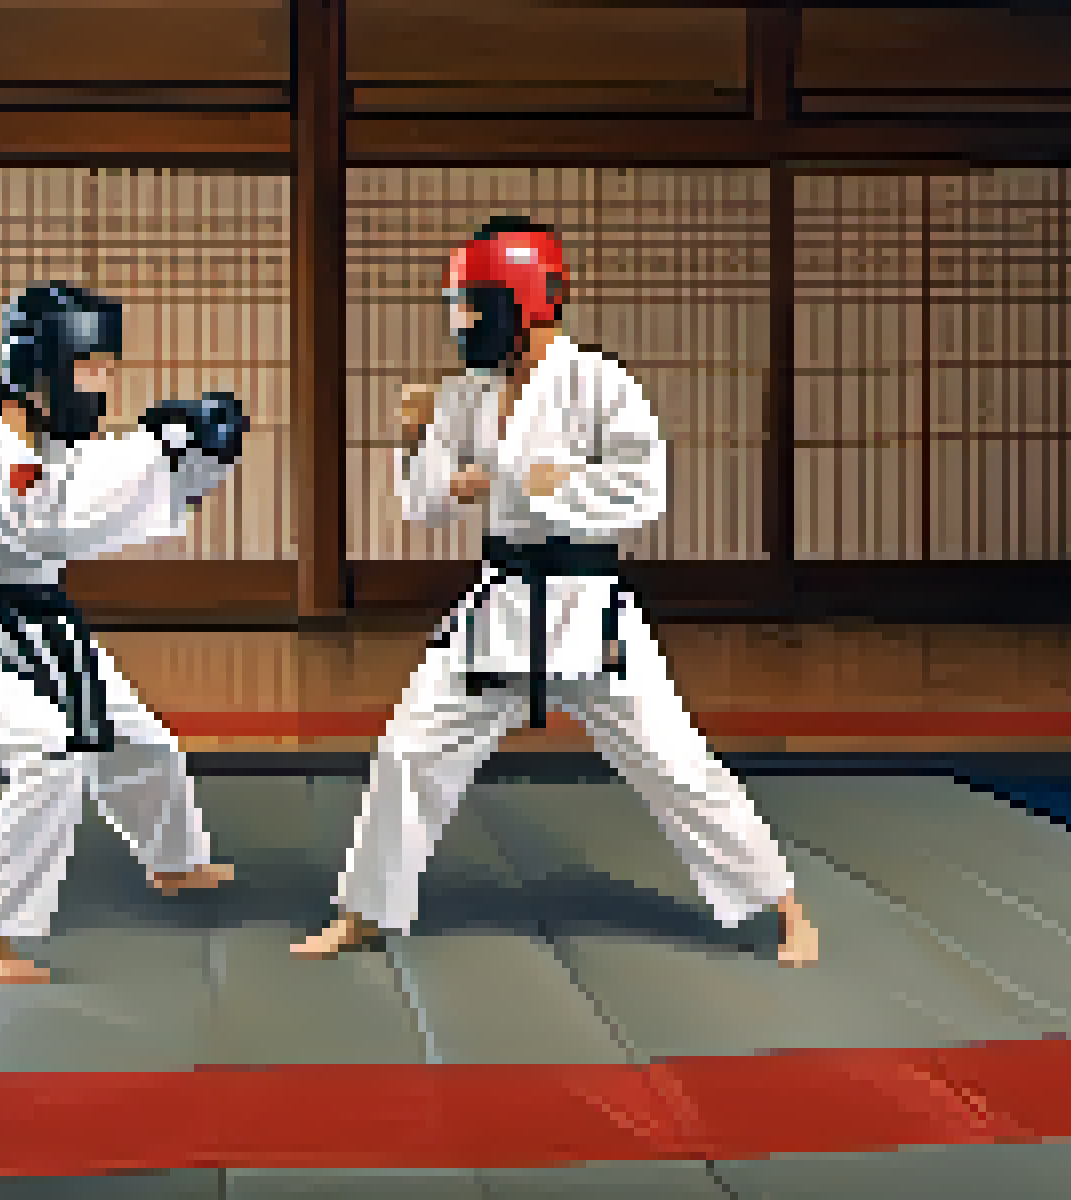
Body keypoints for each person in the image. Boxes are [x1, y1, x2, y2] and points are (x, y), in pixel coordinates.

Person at [291, 217, 819, 967]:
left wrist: (536, 482)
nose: (462, 321)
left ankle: (784, 907)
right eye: (458, 306)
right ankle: (365, 911)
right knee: (410, 750)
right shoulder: (466, 394)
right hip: (498, 607)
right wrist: (416, 442)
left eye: (475, 304)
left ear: (523, 302)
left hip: (588, 610)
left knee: (675, 764)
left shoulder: (599, 383)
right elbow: (425, 506)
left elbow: (644, 491)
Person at [0, 282, 247, 985]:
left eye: (108, 369)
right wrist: (157, 443)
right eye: (91, 367)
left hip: (44, 630)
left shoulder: (53, 445)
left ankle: (176, 863)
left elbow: (131, 496)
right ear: (41, 366)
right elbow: (55, 525)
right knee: (49, 755)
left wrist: (201, 456)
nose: (103, 384)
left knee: (145, 743)